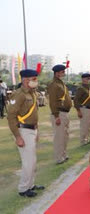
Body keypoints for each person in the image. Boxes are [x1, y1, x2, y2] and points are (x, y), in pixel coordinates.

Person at [7, 69, 44, 197]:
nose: (35, 81)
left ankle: (31, 184)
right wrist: (18, 136)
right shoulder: (19, 94)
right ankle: (23, 189)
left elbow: (34, 114)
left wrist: (36, 130)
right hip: (23, 130)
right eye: (34, 79)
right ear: (25, 80)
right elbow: (11, 116)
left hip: (32, 130)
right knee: (28, 161)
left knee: (32, 160)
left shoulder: (32, 93)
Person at [47, 64, 73, 164]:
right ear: (57, 73)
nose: (64, 73)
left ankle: (63, 154)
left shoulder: (60, 83)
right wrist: (56, 116)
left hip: (64, 112)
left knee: (65, 136)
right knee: (59, 137)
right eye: (62, 72)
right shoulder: (54, 84)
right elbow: (53, 102)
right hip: (59, 113)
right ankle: (59, 157)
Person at [74, 73, 90, 145]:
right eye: (87, 78)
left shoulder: (87, 88)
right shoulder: (81, 88)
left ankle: (87, 139)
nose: (88, 80)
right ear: (83, 79)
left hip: (89, 109)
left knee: (89, 125)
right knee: (84, 126)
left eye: (89, 79)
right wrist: (78, 111)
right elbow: (76, 100)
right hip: (84, 109)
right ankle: (83, 141)